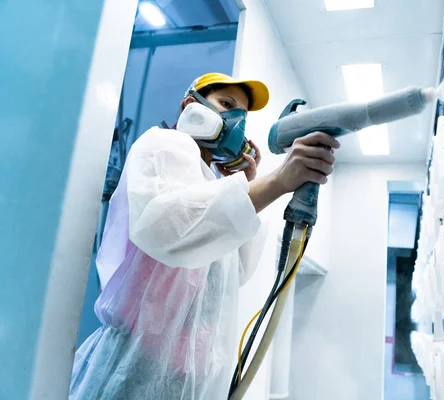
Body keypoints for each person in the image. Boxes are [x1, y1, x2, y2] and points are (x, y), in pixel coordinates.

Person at [69, 73, 339, 399]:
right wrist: (277, 181)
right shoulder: (165, 144)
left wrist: (246, 185)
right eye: (226, 105)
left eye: (241, 115)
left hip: (183, 376)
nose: (234, 120)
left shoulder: (209, 183)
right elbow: (166, 226)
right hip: (133, 363)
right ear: (189, 106)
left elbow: (234, 272)